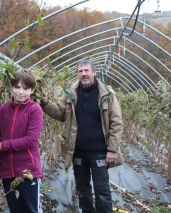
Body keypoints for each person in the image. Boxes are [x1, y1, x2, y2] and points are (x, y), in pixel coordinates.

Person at [41, 59, 123, 213]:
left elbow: (116, 123)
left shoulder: (107, 94)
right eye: (80, 71)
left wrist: (112, 149)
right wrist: (45, 103)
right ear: (77, 74)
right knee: (82, 188)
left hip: (99, 151)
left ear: (94, 72)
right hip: (77, 150)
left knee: (102, 190)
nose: (83, 74)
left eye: (86, 71)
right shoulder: (71, 94)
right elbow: (60, 113)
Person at [0, 69, 44, 213]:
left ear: (32, 90)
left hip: (28, 171)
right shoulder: (2, 111)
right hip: (7, 171)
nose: (21, 92)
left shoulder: (34, 110)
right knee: (15, 210)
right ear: (11, 87)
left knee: (32, 210)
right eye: (17, 87)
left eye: (25, 88)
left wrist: (2, 146)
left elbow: (31, 140)